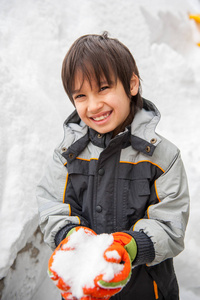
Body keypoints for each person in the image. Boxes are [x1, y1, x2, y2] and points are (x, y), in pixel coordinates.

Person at [36, 32, 190, 300]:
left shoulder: (162, 157)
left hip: (147, 291)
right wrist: (71, 236)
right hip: (84, 289)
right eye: (81, 95)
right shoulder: (66, 156)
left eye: (103, 88)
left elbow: (170, 224)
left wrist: (130, 247)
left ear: (131, 84)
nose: (94, 105)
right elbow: (52, 208)